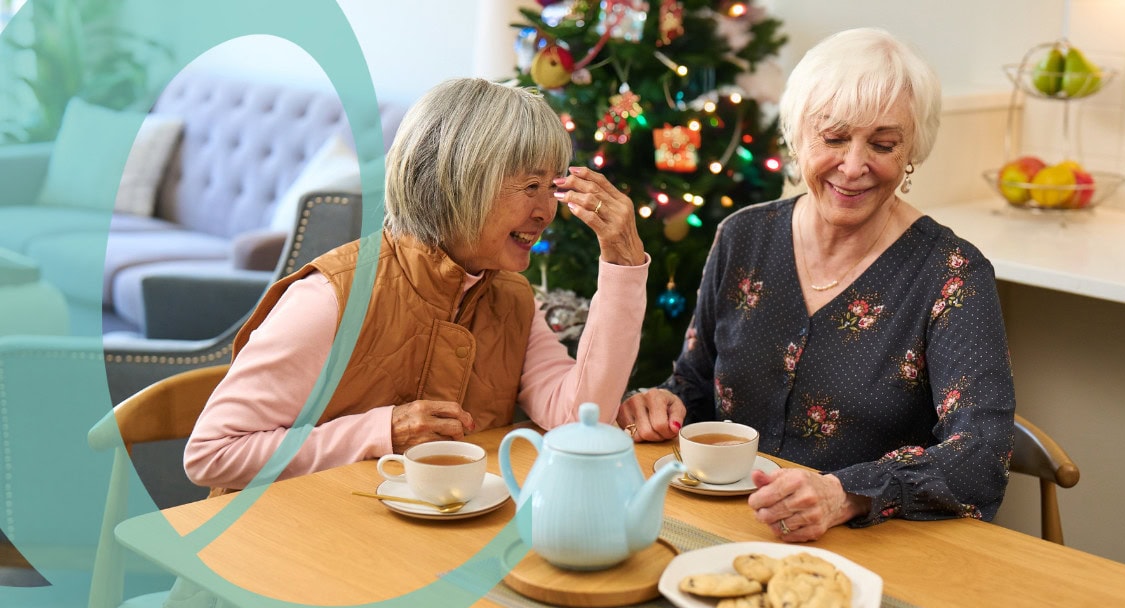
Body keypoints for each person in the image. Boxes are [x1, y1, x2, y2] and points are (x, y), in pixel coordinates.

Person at [617, 27, 1015, 542]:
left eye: (884, 144)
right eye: (832, 137)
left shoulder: (953, 274)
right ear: (796, 135)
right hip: (724, 528)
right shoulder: (743, 237)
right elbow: (694, 386)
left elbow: (982, 453)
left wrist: (845, 494)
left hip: (872, 547)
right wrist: (661, 405)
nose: (854, 166)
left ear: (913, 149)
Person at [184, 78, 649, 491]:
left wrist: (623, 263)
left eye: (553, 187)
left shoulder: (511, 297)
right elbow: (211, 454)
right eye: (530, 186)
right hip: (288, 559)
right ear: (459, 182)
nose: (547, 211)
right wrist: (381, 431)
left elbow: (580, 417)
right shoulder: (331, 297)